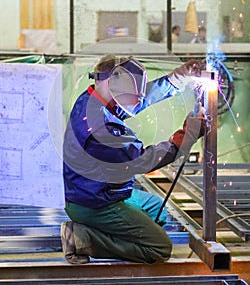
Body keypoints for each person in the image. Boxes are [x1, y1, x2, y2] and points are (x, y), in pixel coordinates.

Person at [61, 54, 206, 265]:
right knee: (160, 247)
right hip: (93, 202)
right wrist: (188, 134)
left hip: (95, 189)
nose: (134, 99)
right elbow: (143, 160)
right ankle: (83, 238)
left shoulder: (94, 98)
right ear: (112, 82)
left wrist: (178, 78)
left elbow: (135, 100)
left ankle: (119, 234)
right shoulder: (101, 128)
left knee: (156, 208)